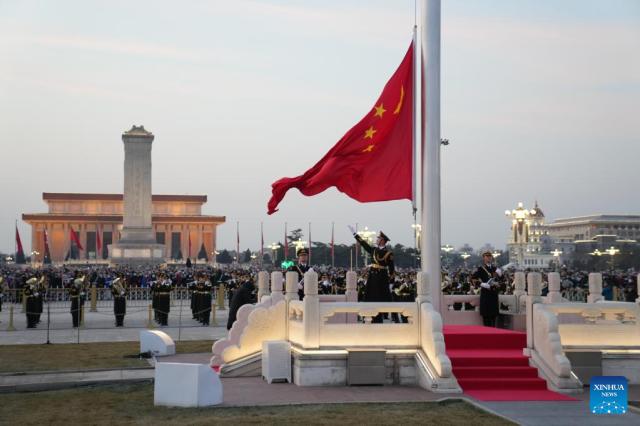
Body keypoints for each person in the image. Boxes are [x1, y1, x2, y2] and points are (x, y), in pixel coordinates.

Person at [350, 226, 394, 323]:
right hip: (372, 276)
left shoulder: (388, 253)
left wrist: (391, 282)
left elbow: (392, 268)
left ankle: (379, 318)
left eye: (378, 238)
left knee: (380, 298)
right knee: (370, 297)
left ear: (382, 241)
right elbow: (363, 244)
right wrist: (355, 235)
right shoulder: (373, 250)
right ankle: (369, 316)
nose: (377, 239)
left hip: (381, 277)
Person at [472, 251, 503, 327]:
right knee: (486, 317)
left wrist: (501, 275)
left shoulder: (495, 268)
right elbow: (472, 279)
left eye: (490, 256)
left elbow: (502, 280)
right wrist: (482, 284)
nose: (489, 258)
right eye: (487, 256)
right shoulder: (481, 269)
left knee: (494, 316)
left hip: (493, 294)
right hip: (485, 294)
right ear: (484, 258)